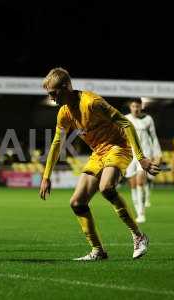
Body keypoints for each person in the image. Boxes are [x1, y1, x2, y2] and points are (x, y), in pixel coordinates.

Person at [39, 67, 160, 261]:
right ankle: (98, 251)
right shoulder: (64, 113)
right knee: (77, 203)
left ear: (66, 87)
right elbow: (56, 143)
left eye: (54, 93)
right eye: (49, 94)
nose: (52, 98)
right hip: (98, 153)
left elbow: (126, 123)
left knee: (106, 187)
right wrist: (46, 176)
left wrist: (141, 157)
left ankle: (138, 236)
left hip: (118, 147)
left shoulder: (92, 102)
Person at [125, 98, 162, 223]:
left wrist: (158, 154)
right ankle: (138, 210)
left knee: (140, 181)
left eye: (137, 106)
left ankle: (141, 213)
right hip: (130, 155)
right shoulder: (125, 119)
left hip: (145, 155)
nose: (135, 108)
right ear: (130, 107)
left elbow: (154, 137)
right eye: (133, 106)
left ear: (141, 107)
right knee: (133, 184)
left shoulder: (148, 119)